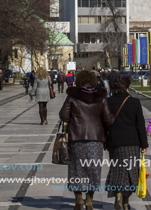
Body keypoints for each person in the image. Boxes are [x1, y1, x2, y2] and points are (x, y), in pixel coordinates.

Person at [59, 69, 114, 210]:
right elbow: (108, 119)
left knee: (76, 169)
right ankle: (89, 200)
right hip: (95, 140)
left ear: (79, 81)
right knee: (93, 169)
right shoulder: (101, 97)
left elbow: (64, 116)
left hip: (76, 138)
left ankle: (78, 199)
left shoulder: (73, 96)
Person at [105, 75, 148, 210]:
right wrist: (144, 144)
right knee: (131, 171)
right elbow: (140, 125)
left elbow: (105, 123)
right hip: (132, 142)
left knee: (117, 169)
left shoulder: (108, 101)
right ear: (127, 87)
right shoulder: (134, 102)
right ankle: (125, 201)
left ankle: (118, 194)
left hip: (115, 142)